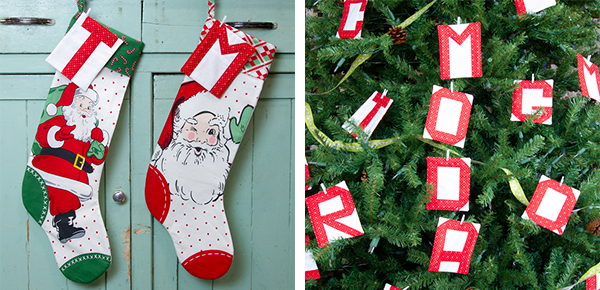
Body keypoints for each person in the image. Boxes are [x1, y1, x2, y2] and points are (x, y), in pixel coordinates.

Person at [32, 84, 107, 243]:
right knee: (63, 197)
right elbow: (43, 134)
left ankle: (65, 226)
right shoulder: (61, 121)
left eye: (89, 108)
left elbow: (92, 159)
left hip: (77, 176)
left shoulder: (86, 134)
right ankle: (64, 227)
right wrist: (58, 134)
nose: (85, 110)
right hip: (54, 168)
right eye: (81, 105)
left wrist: (98, 153)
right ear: (72, 106)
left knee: (69, 197)